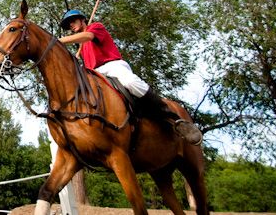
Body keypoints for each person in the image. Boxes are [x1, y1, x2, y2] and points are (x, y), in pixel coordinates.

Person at [58, 9, 202, 145]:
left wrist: (60, 41)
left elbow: (88, 36)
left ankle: (170, 115)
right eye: (68, 24)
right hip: (95, 74)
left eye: (73, 21)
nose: (71, 25)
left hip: (112, 66)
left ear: (83, 20)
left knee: (130, 82)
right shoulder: (82, 47)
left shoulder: (95, 27)